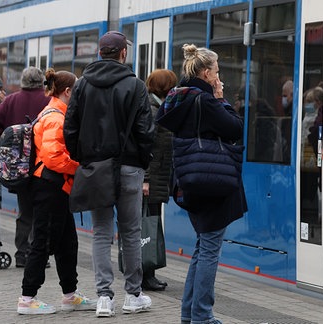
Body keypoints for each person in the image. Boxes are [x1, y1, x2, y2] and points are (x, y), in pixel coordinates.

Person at [64, 30, 155, 317]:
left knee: (101, 232)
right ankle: (133, 294)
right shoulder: (136, 85)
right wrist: (141, 161)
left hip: (96, 168)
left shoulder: (82, 85)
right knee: (131, 232)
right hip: (129, 167)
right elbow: (145, 131)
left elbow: (70, 127)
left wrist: (85, 158)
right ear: (123, 54)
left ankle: (104, 298)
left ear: (99, 52)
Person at [156, 44, 247, 324]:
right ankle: (202, 316)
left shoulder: (179, 97)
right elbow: (234, 128)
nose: (219, 78)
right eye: (217, 72)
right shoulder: (205, 101)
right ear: (206, 73)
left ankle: (190, 314)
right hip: (212, 181)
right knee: (209, 249)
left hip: (191, 180)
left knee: (202, 247)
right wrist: (221, 98)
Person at [17, 68, 96, 315]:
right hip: (49, 187)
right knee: (42, 242)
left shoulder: (54, 112)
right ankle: (27, 299)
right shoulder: (55, 118)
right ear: (68, 91)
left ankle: (69, 295)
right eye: (77, 92)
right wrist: (79, 167)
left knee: (67, 243)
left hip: (56, 188)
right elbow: (53, 158)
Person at [0, 67, 51, 268]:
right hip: (44, 164)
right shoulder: (48, 101)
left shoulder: (11, 100)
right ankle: (39, 254)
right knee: (44, 212)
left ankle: (22, 254)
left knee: (25, 212)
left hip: (19, 167)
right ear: (41, 82)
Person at [141, 68, 178, 291]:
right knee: (149, 225)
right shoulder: (152, 109)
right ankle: (146, 275)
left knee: (151, 224)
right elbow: (146, 146)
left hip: (157, 175)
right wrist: (145, 179)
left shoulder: (158, 106)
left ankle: (147, 273)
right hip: (151, 177)